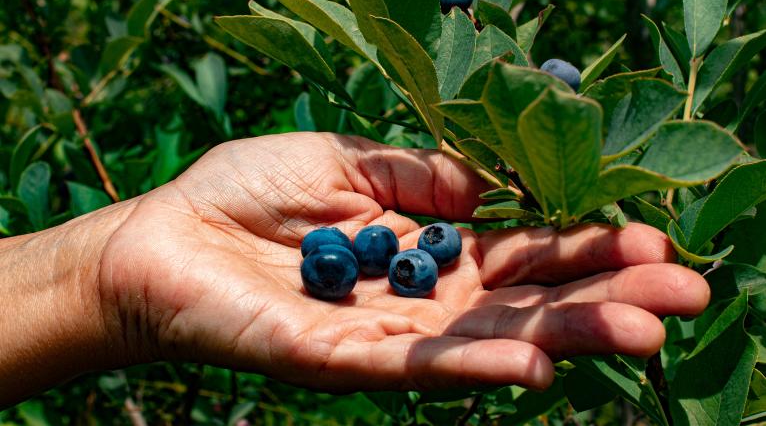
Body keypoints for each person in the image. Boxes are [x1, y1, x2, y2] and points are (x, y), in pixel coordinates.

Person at [0, 133, 710, 408]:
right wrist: (98, 274)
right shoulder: (352, 254)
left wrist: (97, 275)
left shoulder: (376, 253)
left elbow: (407, 253)